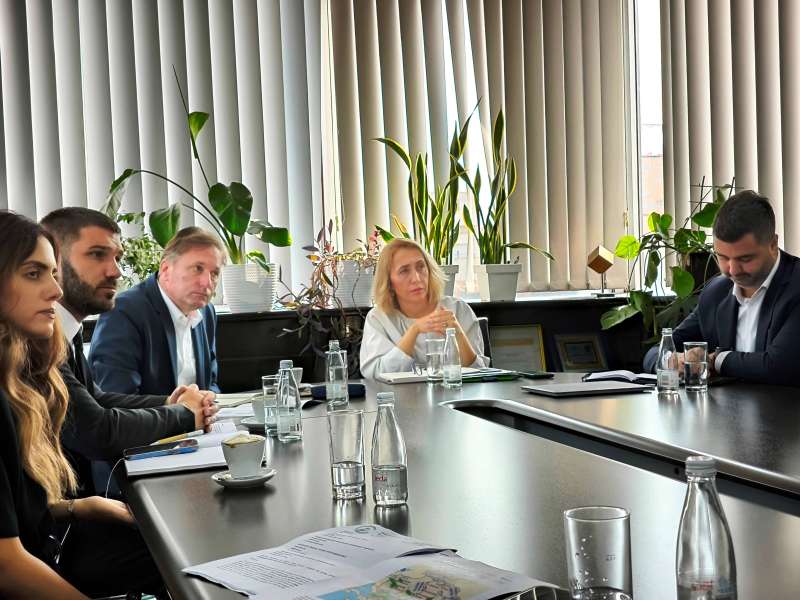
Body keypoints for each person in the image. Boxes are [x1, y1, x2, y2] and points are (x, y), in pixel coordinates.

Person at [0, 211, 166, 598]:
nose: (55, 291)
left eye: (52, 273)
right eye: (33, 273)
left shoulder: (16, 381)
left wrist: (78, 507)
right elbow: (6, 564)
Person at [40, 208, 216, 493]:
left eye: (117, 258)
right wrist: (184, 414)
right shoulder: (39, 337)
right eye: (97, 254)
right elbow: (97, 429)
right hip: (84, 497)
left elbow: (96, 397)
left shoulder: (67, 330)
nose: (116, 271)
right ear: (54, 260)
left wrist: (169, 403)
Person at [643, 190, 800, 385]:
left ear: (773, 244)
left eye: (745, 259)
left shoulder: (795, 286)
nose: (732, 270)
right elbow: (658, 351)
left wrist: (715, 360)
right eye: (723, 257)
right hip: (727, 405)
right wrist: (673, 361)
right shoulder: (716, 292)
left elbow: (779, 366)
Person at [89, 226, 223, 395]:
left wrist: (209, 398)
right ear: (166, 269)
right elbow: (117, 397)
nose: (207, 282)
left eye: (214, 273)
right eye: (198, 268)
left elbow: (211, 383)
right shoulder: (123, 312)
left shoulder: (206, 312)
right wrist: (177, 407)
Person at [360, 238, 489, 380]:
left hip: (456, 393)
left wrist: (457, 333)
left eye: (421, 267)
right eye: (404, 271)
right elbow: (375, 374)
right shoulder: (378, 318)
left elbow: (480, 371)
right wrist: (414, 331)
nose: (416, 278)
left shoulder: (458, 309)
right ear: (389, 282)